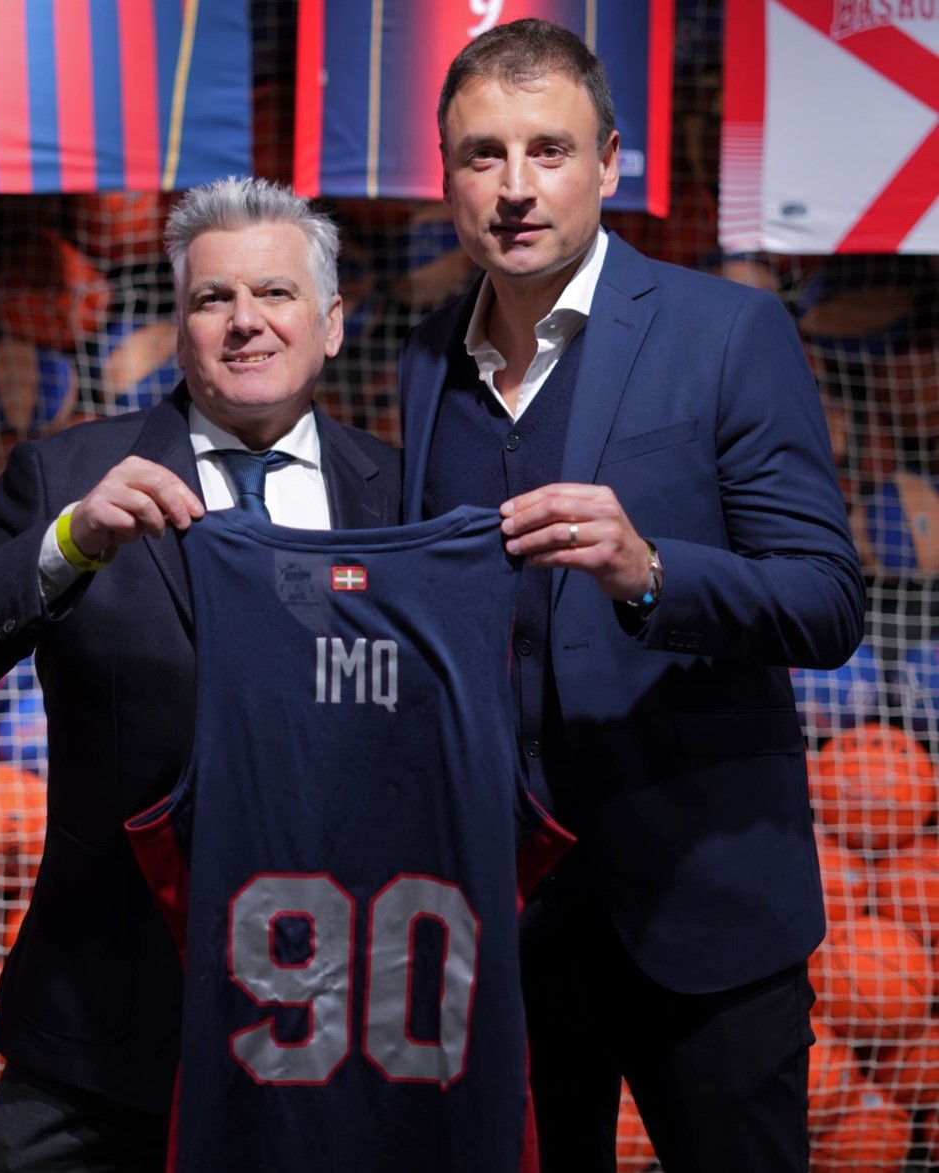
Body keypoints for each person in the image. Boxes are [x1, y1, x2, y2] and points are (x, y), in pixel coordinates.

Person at [397, 19, 865, 1173]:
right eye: (484, 154)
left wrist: (650, 570)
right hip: (504, 920)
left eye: (548, 150)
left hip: (702, 907)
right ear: (448, 175)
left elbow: (825, 600)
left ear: (610, 163)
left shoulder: (727, 331)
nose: (515, 186)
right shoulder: (424, 357)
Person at [0, 175, 400, 1173]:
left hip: (332, 1029)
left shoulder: (401, 494)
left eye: (276, 293)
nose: (245, 321)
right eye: (214, 298)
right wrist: (70, 542)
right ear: (180, 329)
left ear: (333, 324)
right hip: (100, 1040)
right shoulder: (72, 476)